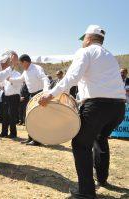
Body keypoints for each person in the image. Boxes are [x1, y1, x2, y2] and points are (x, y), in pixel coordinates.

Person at [39, 25, 126, 198]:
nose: (82, 42)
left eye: (83, 38)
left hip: (98, 107)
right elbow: (102, 85)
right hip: (118, 108)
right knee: (100, 138)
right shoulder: (110, 56)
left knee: (80, 144)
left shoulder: (85, 52)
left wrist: (50, 94)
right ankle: (102, 178)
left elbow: (72, 77)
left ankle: (86, 192)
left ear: (89, 38)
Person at [9, 54, 50, 146]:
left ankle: (37, 140)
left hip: (39, 94)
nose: (20, 65)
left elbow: (45, 79)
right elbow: (20, 79)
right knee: (29, 117)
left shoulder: (37, 68)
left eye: (21, 63)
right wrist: (9, 79)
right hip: (31, 95)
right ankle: (30, 138)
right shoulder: (25, 71)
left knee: (37, 118)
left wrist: (45, 92)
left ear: (25, 62)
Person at [0, 69, 22, 138]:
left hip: (14, 97)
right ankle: (4, 132)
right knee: (4, 115)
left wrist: (10, 80)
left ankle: (13, 133)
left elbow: (19, 84)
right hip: (6, 96)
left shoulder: (17, 74)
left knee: (12, 115)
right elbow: (2, 85)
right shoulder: (5, 74)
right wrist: (1, 85)